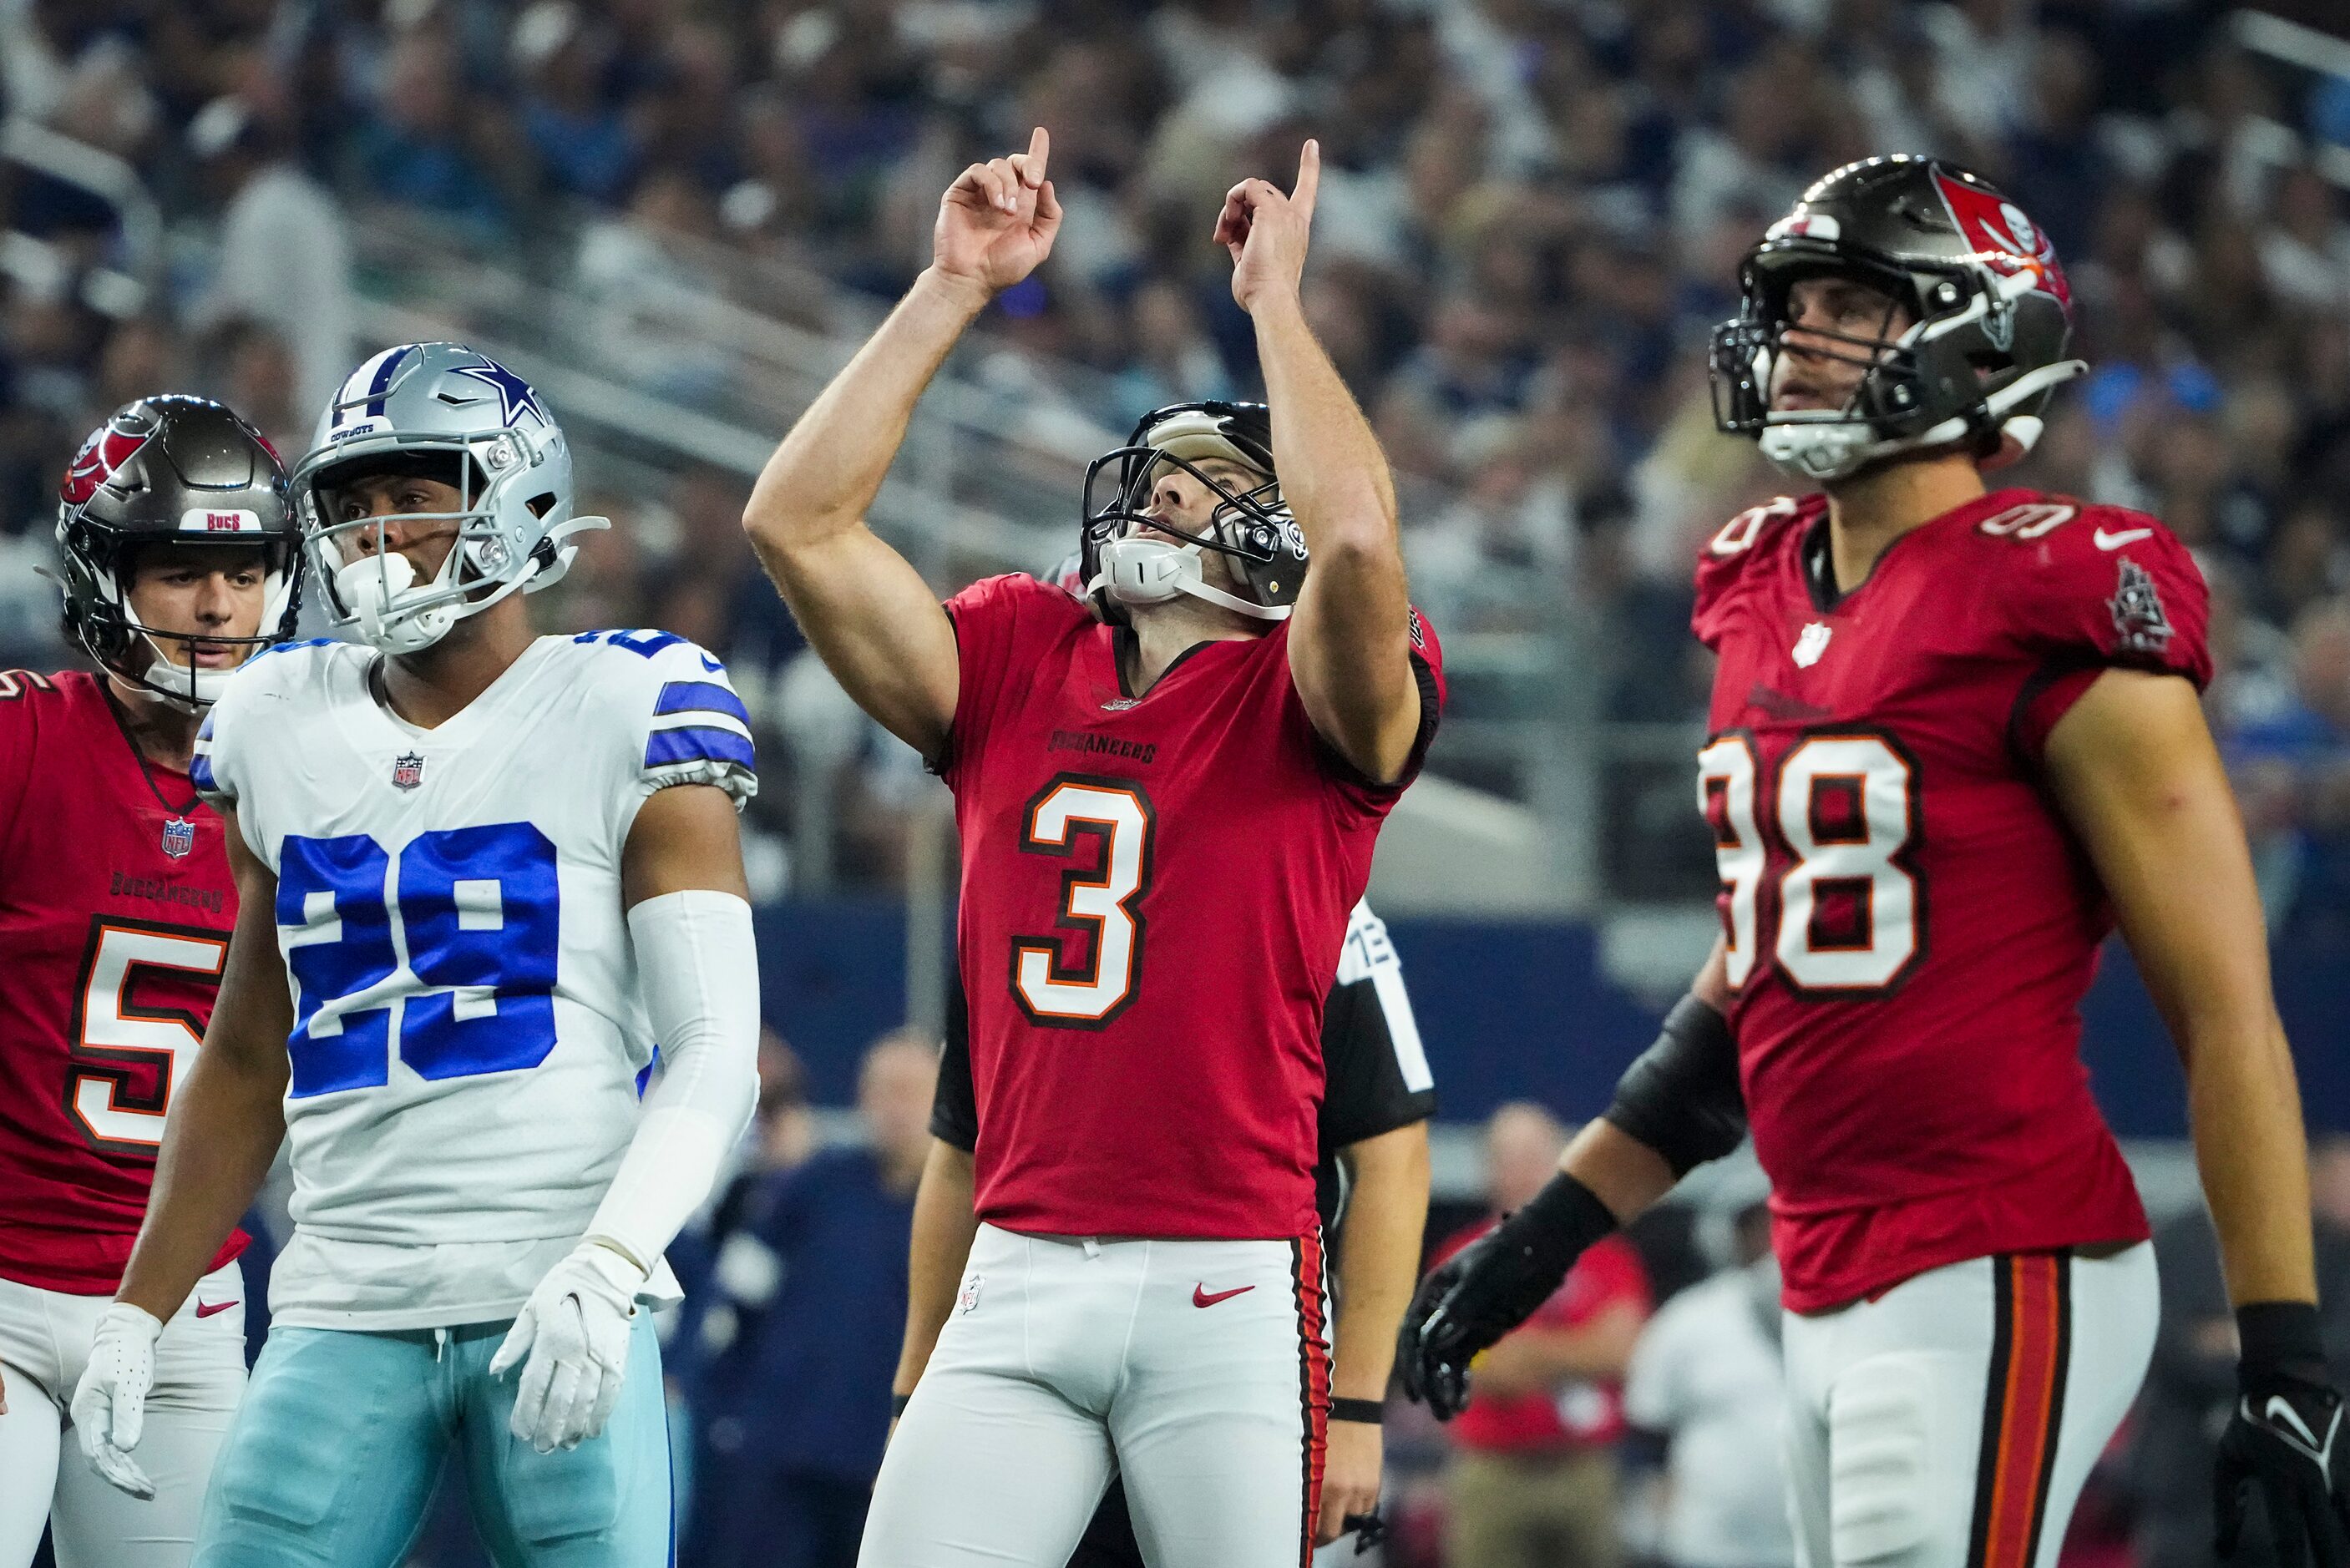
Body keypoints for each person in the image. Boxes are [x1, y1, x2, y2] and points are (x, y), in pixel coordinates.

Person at [1399, 154, 2350, 1568]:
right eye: (1794, 305)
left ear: (1974, 339)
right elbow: (1758, 980)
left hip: (1995, 1248)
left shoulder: (2050, 592)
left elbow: (2220, 1007)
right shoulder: (1752, 586)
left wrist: (2286, 1354)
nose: (1799, 338)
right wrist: (1541, 1232)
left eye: (1850, 304)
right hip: (1821, 1266)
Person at [742, 128, 1443, 1567]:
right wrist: (946, 291)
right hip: (1018, 1262)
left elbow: (1360, 547)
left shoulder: (1308, 693)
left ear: (1268, 525)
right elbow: (794, 522)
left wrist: (1275, 310)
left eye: (1190, 477)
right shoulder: (1016, 647)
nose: (1147, 489)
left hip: (1231, 1281)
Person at [66, 341, 762, 1567]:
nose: (378, 533)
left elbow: (715, 1047)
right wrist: (140, 1305)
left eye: (414, 496)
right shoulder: (273, 722)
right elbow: (243, 1055)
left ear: (516, 491)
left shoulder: (629, 701)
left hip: (557, 1292)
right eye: (352, 503)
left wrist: (611, 1262)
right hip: (343, 1302)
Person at [901, 896, 1438, 1568]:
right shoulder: (1013, 883)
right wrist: (913, 1388)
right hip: (1035, 1316)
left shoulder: (1313, 892)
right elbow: (960, 1153)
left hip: (1238, 1325)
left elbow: (1394, 1158)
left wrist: (1356, 1407)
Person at [0, 396, 302, 1568]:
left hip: (182, 1303)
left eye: (241, 570)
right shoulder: (26, 744)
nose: (218, 606)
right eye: (180, 570)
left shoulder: (316, 765)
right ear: (101, 574)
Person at [686, 1029, 939, 1568]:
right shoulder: (811, 1184)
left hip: (889, 1459)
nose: (896, 1108)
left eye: (912, 1091)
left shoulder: (959, 1212)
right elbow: (736, 1298)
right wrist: (729, 1406)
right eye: (883, 1090)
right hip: (785, 1446)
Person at [1431, 1105, 1649, 1568]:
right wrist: (1578, 1348)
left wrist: (1525, 1349)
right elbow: (1481, 1367)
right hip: (1493, 1471)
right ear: (1489, 1169)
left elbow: (1625, 1352)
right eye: (1510, 1158)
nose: (1524, 1170)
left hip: (1586, 1468)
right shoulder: (1458, 1261)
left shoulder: (1605, 1253)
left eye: (1535, 1156)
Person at [1622, 1200, 1794, 1568]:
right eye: (1758, 1230)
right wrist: (1648, 1535)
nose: (1772, 1242)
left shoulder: (1848, 1311)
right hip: (1707, 1546)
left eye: (1783, 1225)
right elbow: (1647, 1435)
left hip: (1815, 1546)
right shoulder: (1688, 1317)